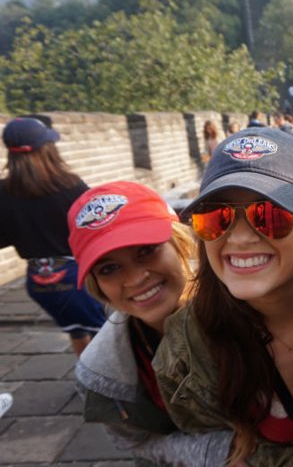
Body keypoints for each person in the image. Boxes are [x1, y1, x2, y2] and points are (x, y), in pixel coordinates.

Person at [153, 127, 293, 464]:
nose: (240, 238)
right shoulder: (188, 351)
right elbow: (222, 446)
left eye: (270, 216)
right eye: (217, 218)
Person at [68, 180, 243, 465]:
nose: (136, 279)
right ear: (97, 285)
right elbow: (138, 442)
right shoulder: (100, 372)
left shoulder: (251, 308)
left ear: (180, 243)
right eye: (109, 268)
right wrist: (219, 453)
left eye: (146, 250)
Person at [0, 117, 106, 355]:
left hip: (38, 281)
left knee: (76, 330)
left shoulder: (3, 192)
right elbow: (95, 224)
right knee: (107, 334)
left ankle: (85, 379)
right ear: (47, 149)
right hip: (76, 277)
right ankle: (108, 384)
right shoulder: (70, 186)